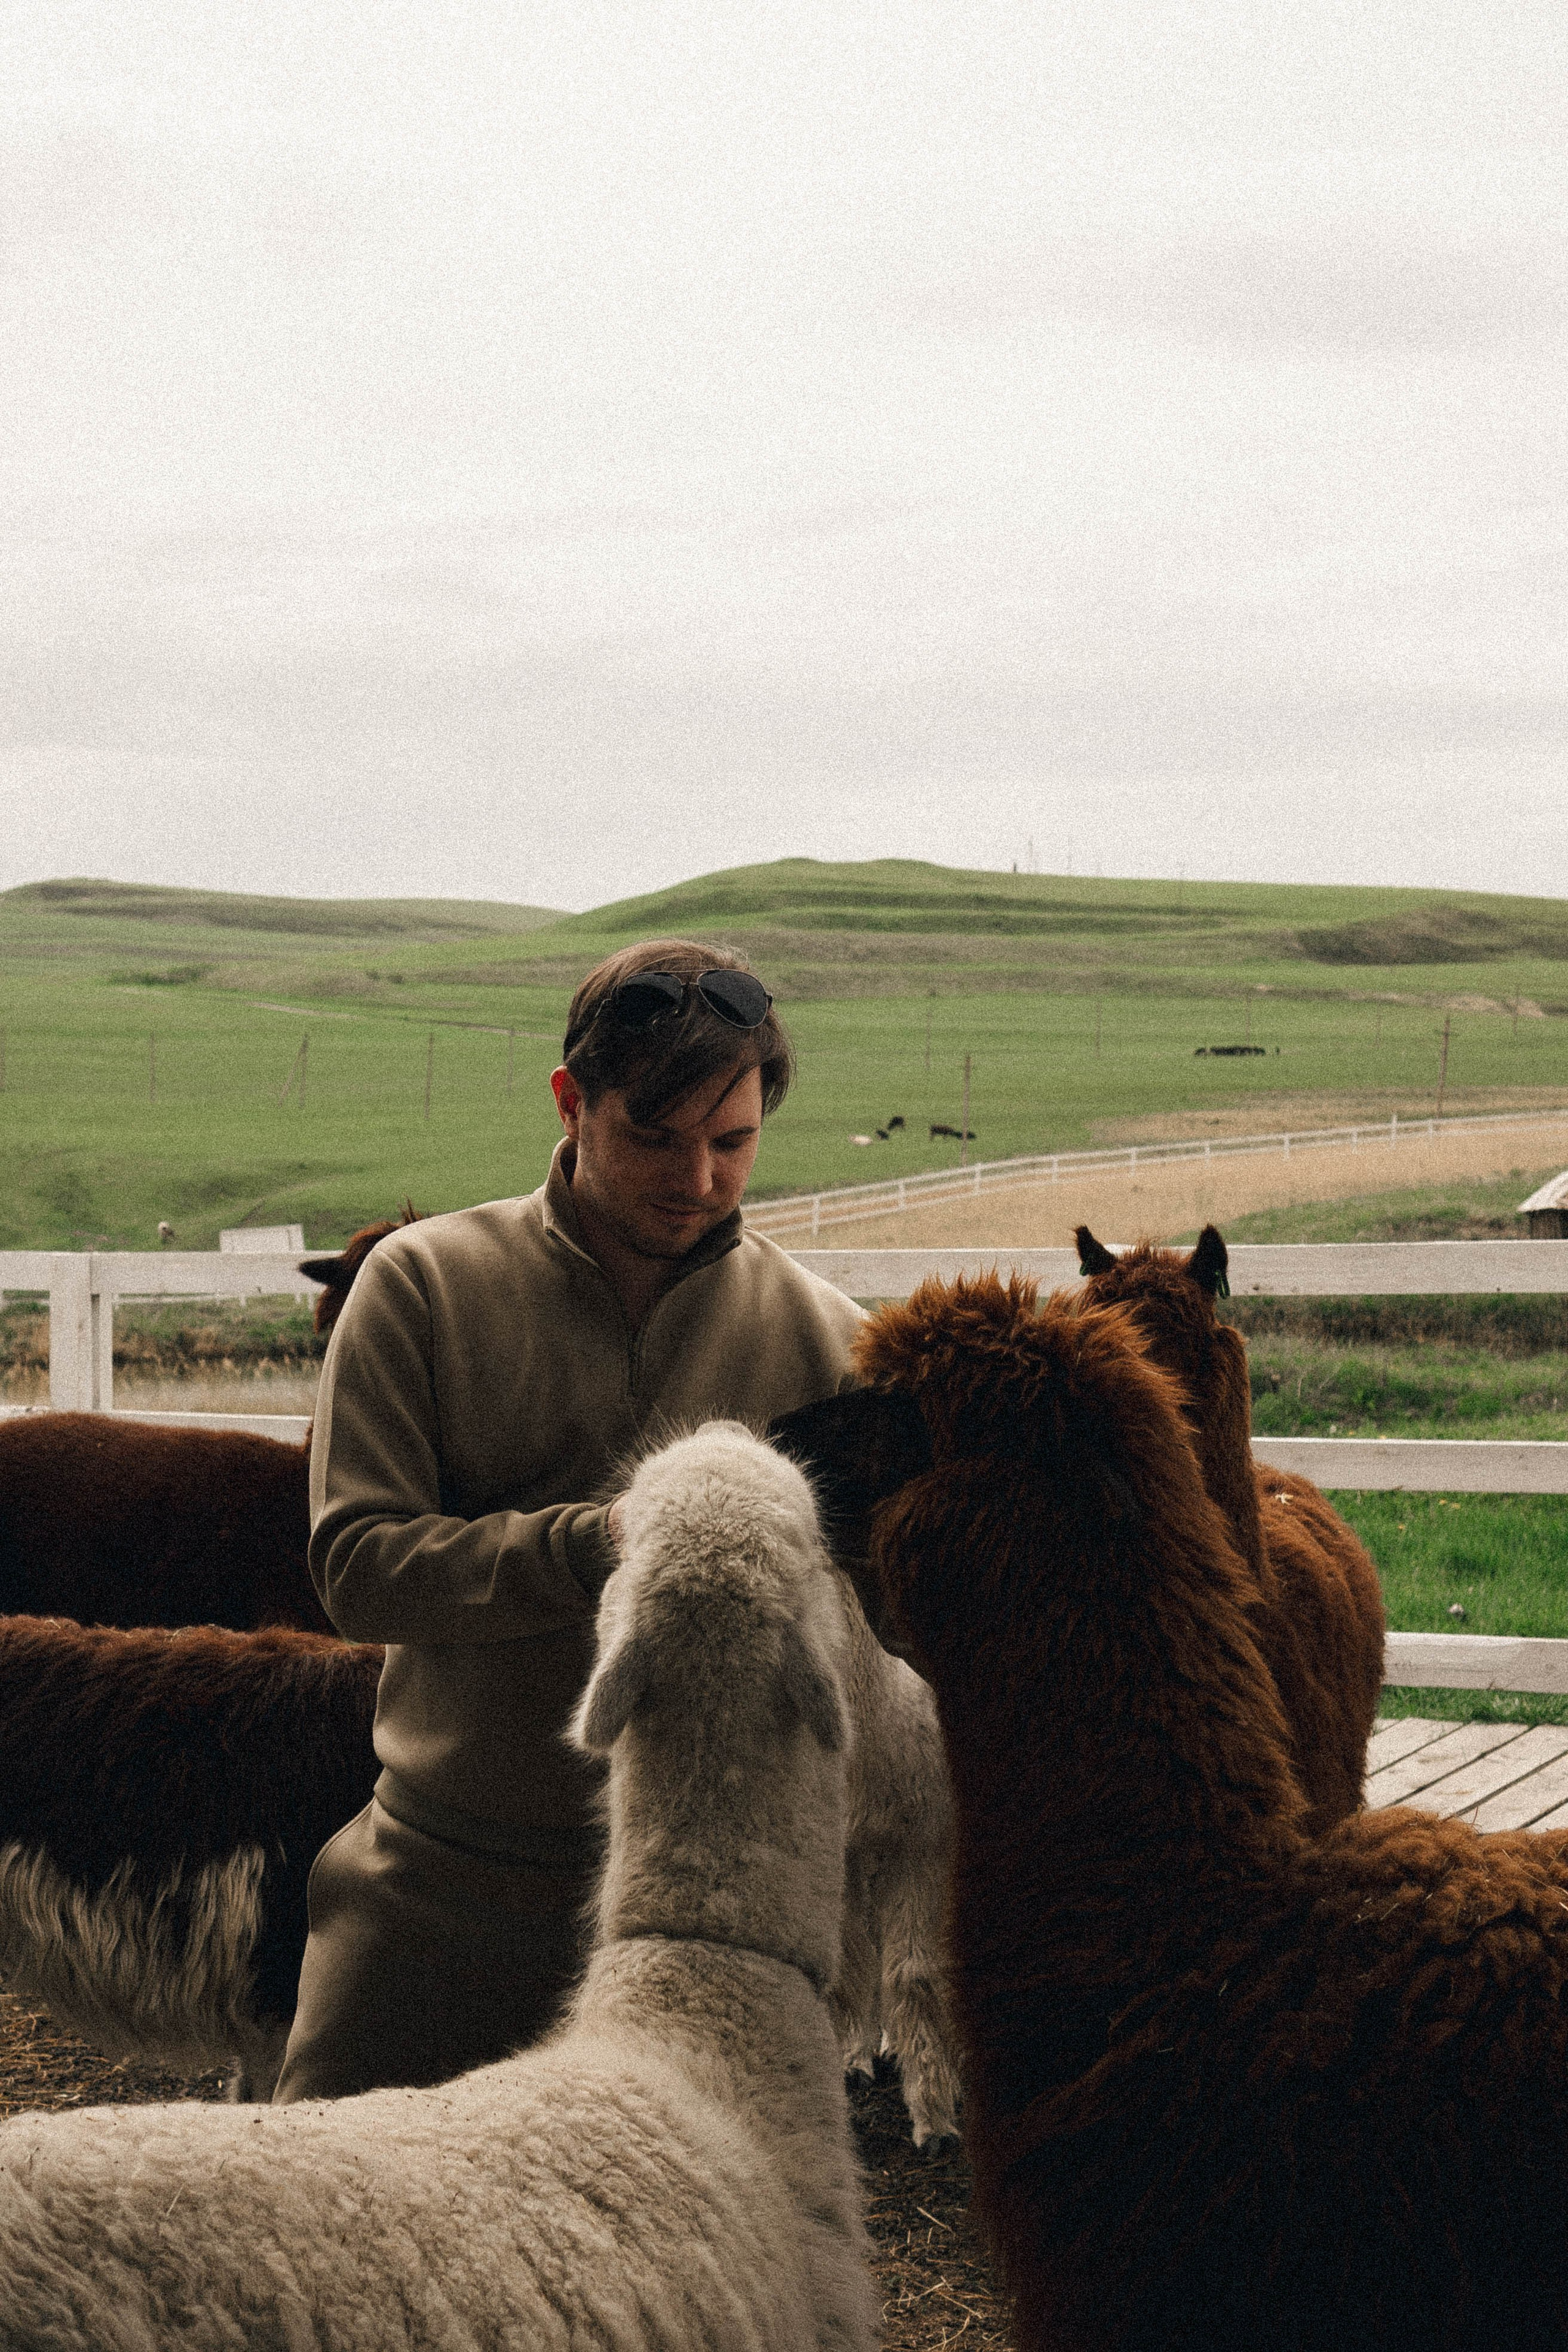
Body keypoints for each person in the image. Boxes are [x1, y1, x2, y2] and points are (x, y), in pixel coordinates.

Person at [272, 938, 863, 2102]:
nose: (697, 1177)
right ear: (571, 1100)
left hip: (709, 1931)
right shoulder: (420, 1287)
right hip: (439, 1892)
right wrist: (611, 1545)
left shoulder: (831, 1342)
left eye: (732, 1141)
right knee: (322, 2242)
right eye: (654, 1134)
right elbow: (358, 1568)